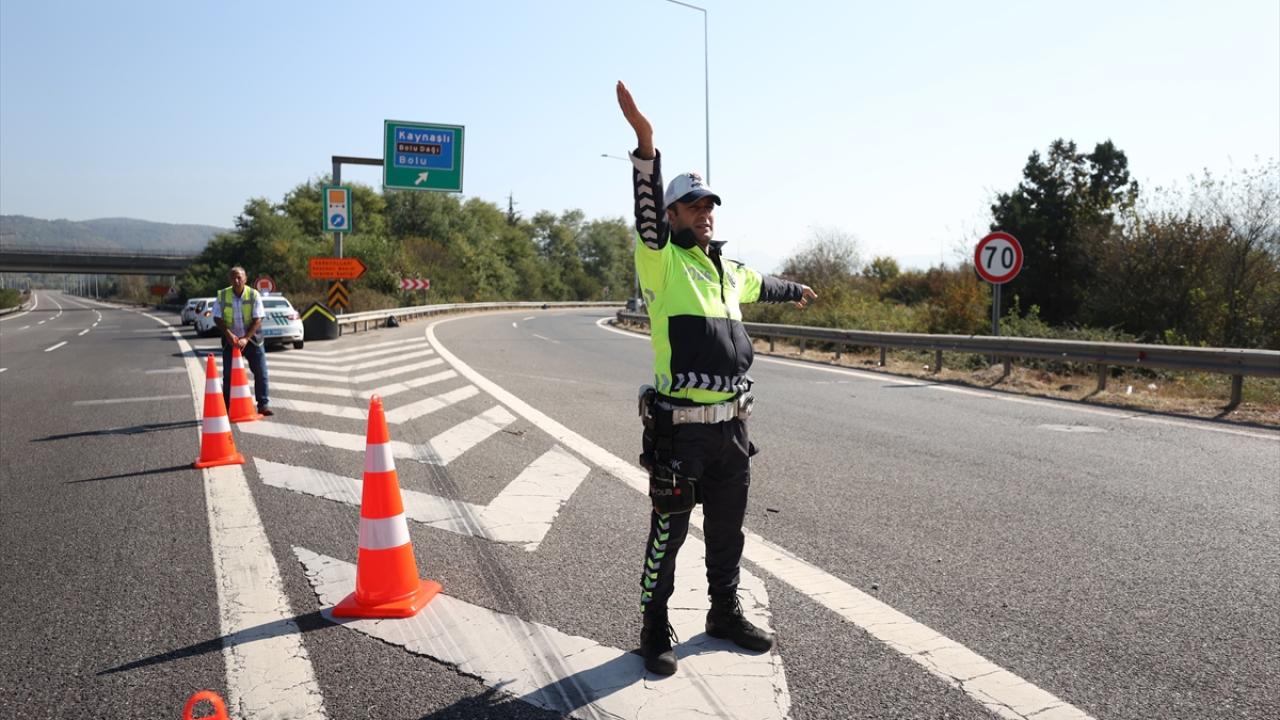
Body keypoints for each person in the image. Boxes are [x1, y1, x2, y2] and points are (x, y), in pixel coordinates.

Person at [616, 81, 818, 676]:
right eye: (693, 206)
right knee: (669, 534)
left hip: (732, 429)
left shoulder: (727, 269)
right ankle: (654, 625)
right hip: (681, 431)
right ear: (672, 215)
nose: (704, 213)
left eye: (709, 206)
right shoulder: (661, 262)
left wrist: (794, 288)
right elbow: (646, 212)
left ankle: (723, 613)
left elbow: (763, 283)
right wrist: (646, 144)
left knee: (728, 533)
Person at [213, 266, 272, 417]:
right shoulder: (222, 295)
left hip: (252, 340)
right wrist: (229, 335)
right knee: (228, 375)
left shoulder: (253, 294)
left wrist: (245, 338)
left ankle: (263, 404)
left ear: (245, 279)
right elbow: (217, 317)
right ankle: (227, 406)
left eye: (239, 277)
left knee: (261, 372)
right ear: (229, 279)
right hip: (230, 341)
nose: (237, 280)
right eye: (233, 277)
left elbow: (258, 319)